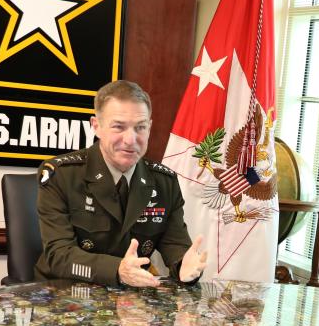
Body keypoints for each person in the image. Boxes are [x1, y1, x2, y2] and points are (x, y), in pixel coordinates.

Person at [34, 80, 207, 287]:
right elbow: (59, 255)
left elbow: (176, 246)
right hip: (66, 292)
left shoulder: (164, 182)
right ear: (96, 126)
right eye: (118, 127)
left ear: (149, 128)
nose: (130, 139)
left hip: (133, 302)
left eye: (140, 127)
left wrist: (183, 267)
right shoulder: (62, 175)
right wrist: (117, 270)